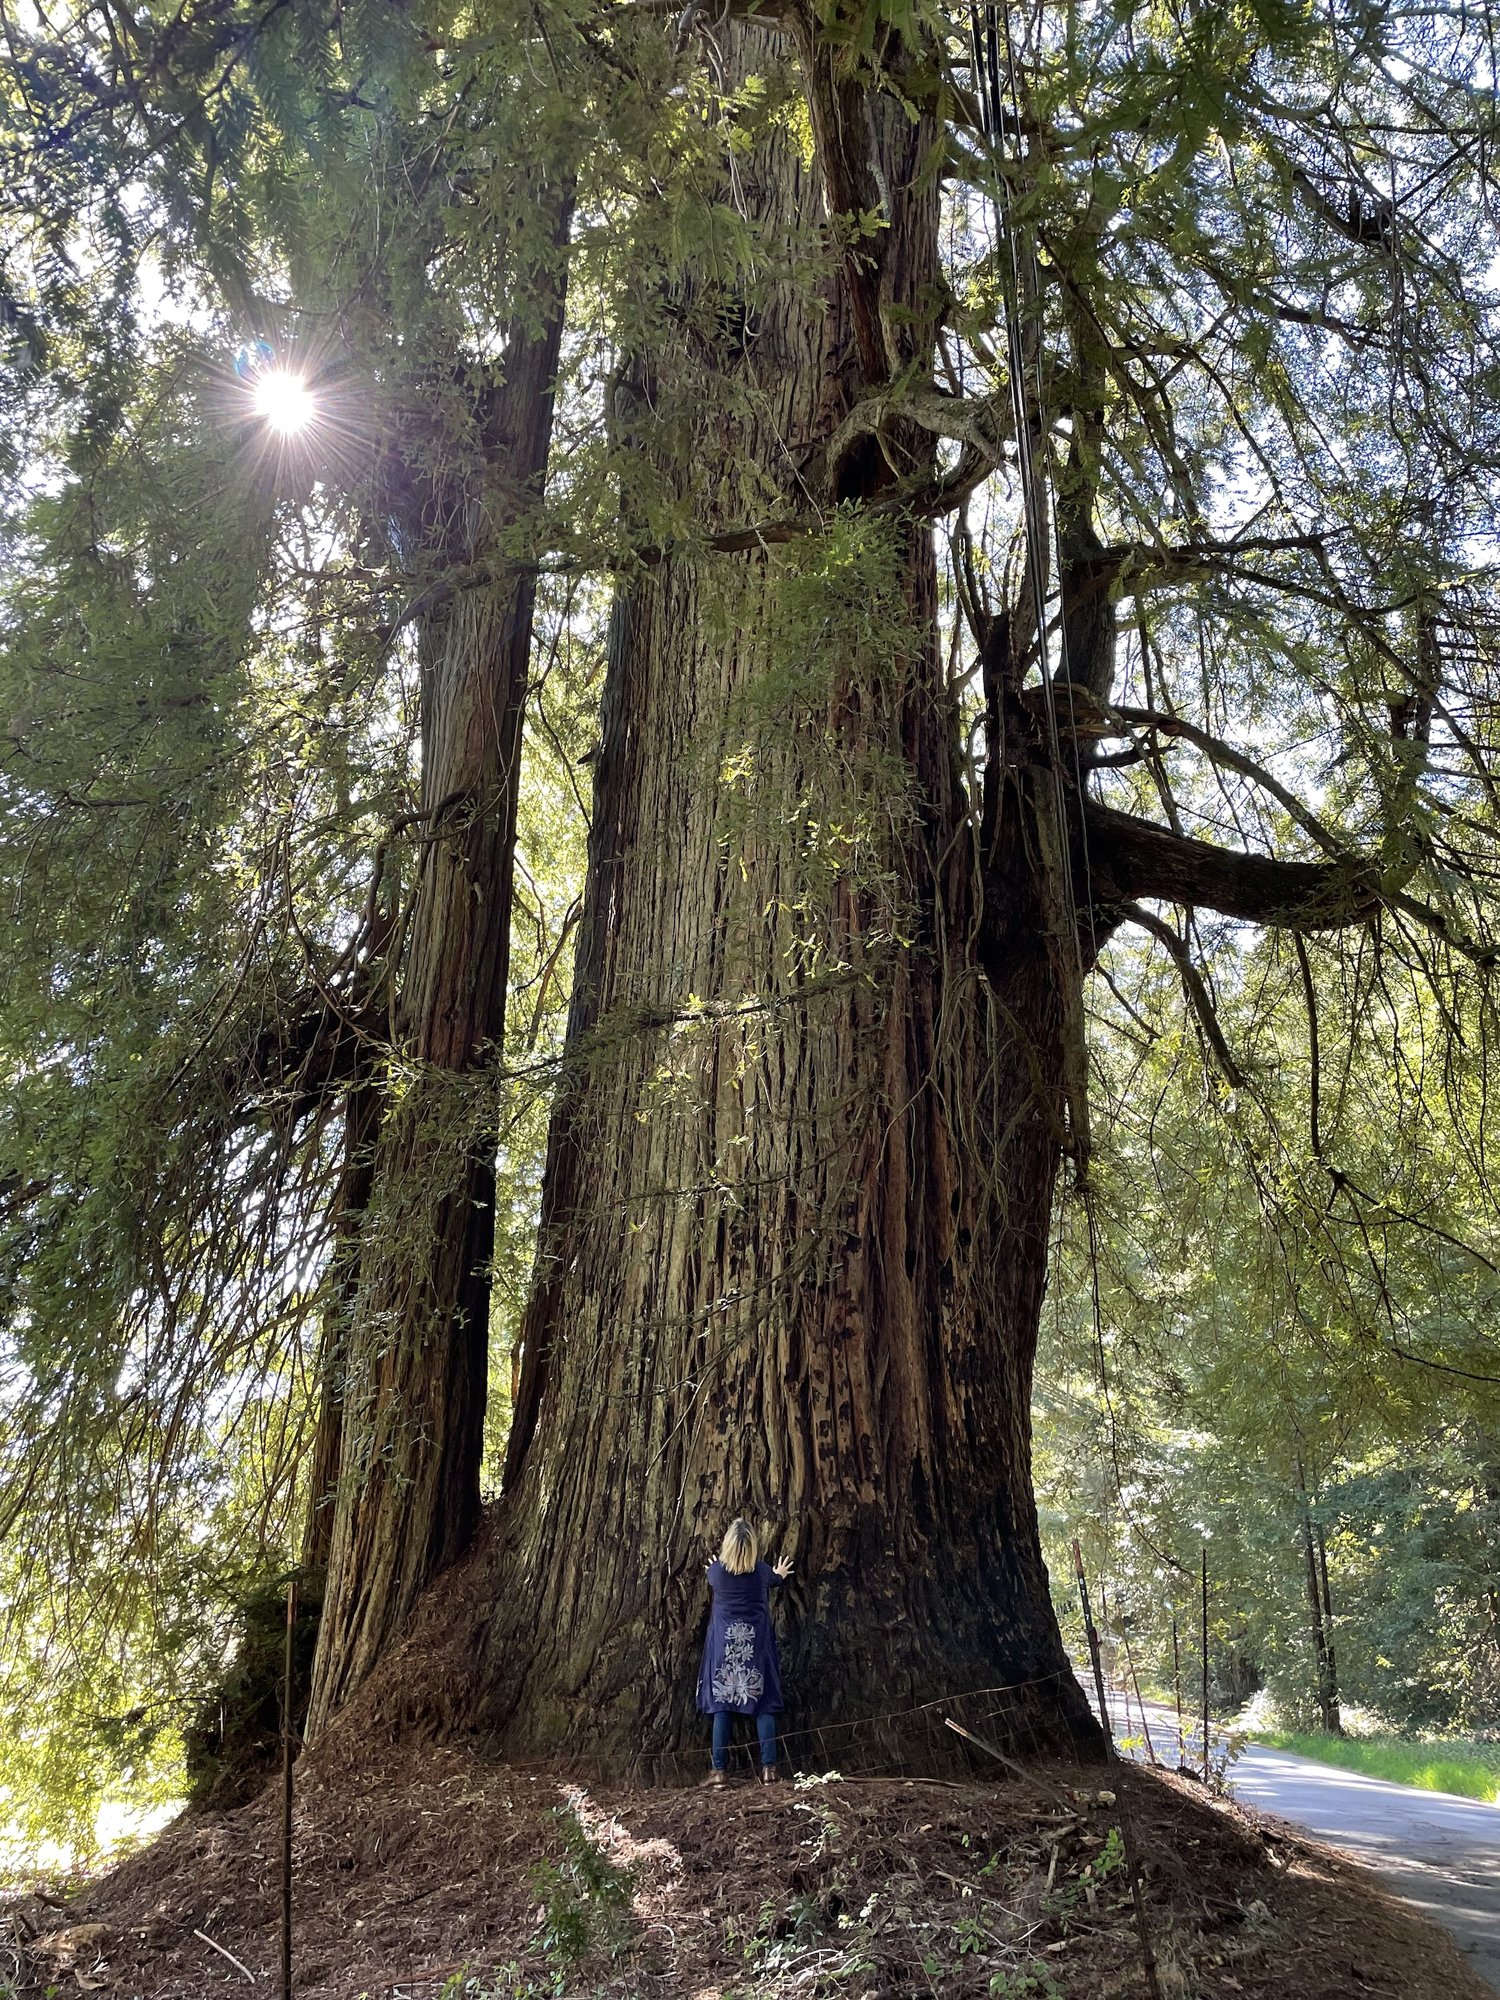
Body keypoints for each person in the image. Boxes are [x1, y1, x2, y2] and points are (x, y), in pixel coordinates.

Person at [697, 1517, 793, 1787]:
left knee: (721, 1705)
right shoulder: (761, 1572)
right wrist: (780, 1573)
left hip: (724, 1648)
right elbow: (776, 1579)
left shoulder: (716, 1573)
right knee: (763, 1703)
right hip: (755, 1648)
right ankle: (769, 1769)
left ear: (727, 1545)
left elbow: (711, 1572)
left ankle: (719, 1771)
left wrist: (714, 1566)